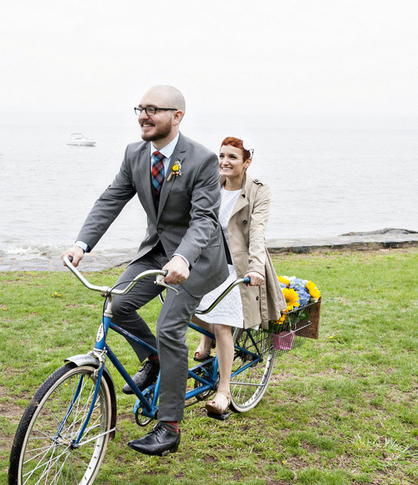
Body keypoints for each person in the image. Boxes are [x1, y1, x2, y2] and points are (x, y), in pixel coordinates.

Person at [61, 85, 230, 456]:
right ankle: (153, 360)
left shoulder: (201, 160)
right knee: (117, 305)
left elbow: (203, 220)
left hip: (196, 258)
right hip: (157, 251)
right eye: (140, 108)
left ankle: (168, 426)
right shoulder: (134, 154)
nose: (144, 115)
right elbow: (112, 198)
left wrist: (184, 258)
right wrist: (82, 243)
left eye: (154, 109)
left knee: (169, 327)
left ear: (177, 116)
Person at [192, 136, 286, 417]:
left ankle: (223, 392)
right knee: (186, 310)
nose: (225, 162)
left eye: (232, 157)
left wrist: (256, 267)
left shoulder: (258, 191)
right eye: (221, 155)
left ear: (247, 162)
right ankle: (205, 342)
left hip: (238, 267)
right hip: (207, 263)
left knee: (221, 325)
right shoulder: (210, 185)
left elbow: (257, 231)